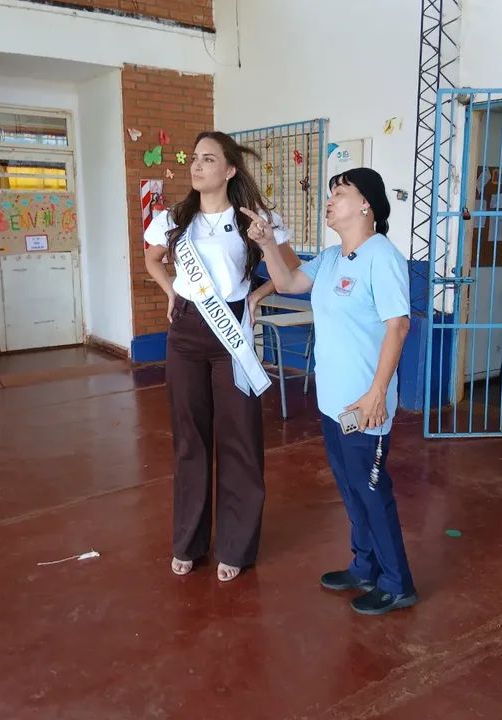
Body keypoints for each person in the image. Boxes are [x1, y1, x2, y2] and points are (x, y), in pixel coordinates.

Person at [241, 168, 416, 615]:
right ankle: (364, 567)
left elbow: (398, 326)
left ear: (366, 204)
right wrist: (267, 244)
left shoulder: (382, 257)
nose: (330, 199)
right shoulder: (332, 257)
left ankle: (397, 583)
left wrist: (378, 393)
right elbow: (288, 283)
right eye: (331, 192)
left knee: (372, 490)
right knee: (351, 488)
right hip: (332, 403)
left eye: (341, 192)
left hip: (365, 404)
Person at [144, 131, 299, 582]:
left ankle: (236, 545)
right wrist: (170, 291)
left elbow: (288, 269)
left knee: (240, 438)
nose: (196, 166)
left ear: (230, 170)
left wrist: (256, 297)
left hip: (233, 330)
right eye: (194, 158)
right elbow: (153, 259)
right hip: (187, 331)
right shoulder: (175, 218)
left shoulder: (256, 218)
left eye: (208, 159)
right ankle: (188, 542)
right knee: (189, 440)